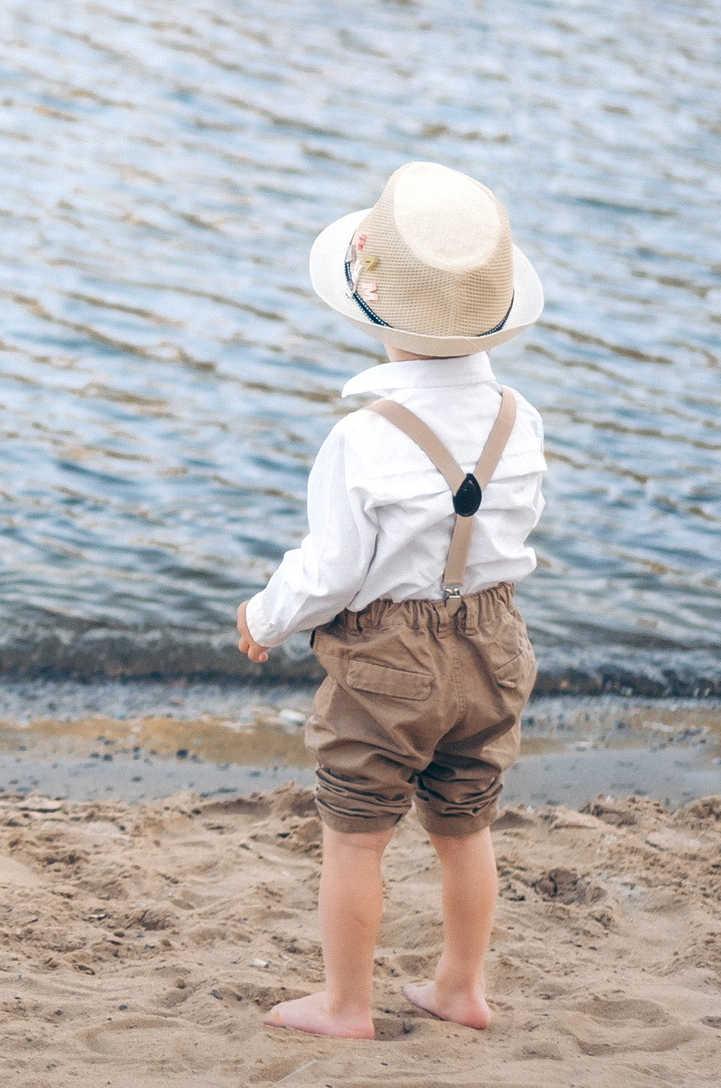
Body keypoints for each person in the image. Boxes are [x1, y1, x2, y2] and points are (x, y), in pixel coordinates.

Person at [233, 161, 548, 1039]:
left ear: (374, 310)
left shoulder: (362, 437)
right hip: (495, 637)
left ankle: (344, 1004)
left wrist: (264, 615)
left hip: (390, 660)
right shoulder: (519, 418)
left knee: (356, 832)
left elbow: (332, 569)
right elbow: (516, 530)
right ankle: (461, 986)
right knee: (464, 822)